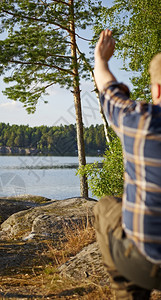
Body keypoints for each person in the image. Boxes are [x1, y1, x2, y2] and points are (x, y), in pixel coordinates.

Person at [93, 29, 161, 299]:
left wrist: (101, 60)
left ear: (157, 89)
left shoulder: (141, 122)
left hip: (143, 264)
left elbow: (108, 89)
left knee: (106, 207)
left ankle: (128, 293)